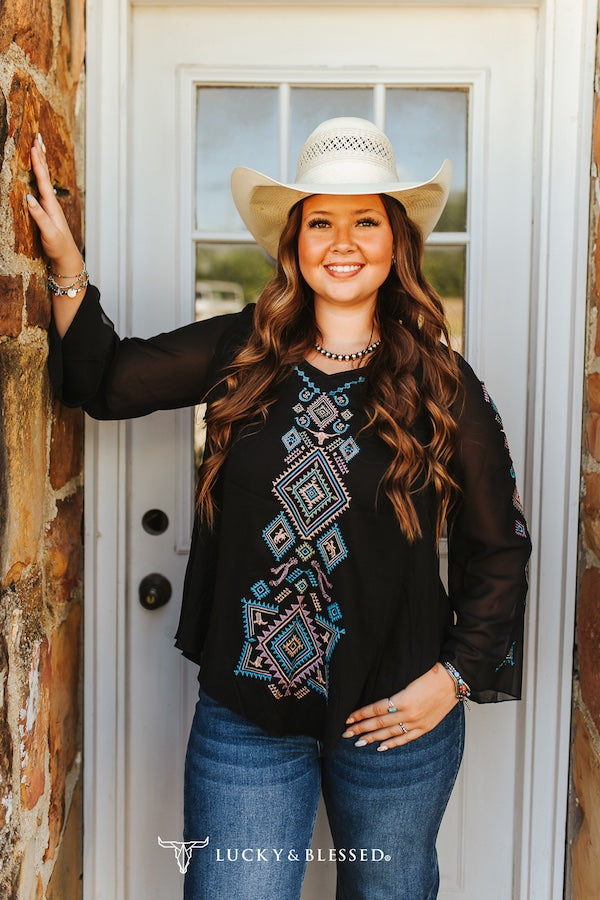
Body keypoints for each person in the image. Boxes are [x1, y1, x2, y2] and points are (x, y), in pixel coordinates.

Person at [27, 117, 531, 900]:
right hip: (248, 718)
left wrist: (455, 677)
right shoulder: (244, 350)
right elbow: (107, 381)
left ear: (396, 243)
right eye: (321, 222)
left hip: (396, 713)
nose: (343, 242)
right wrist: (66, 268)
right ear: (295, 242)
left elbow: (499, 545)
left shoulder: (444, 382)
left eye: (366, 221)